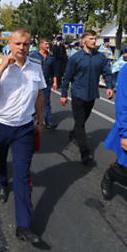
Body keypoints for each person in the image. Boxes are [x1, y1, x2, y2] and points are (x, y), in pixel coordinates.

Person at [0, 27, 46, 244]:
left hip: (24, 129)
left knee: (22, 176)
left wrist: (41, 121)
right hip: (0, 125)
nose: (22, 48)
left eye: (26, 44)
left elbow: (39, 95)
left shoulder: (36, 67)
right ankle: (0, 181)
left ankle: (24, 225)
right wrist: (1, 69)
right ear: (10, 44)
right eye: (18, 44)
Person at [60, 30, 114, 165]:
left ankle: (74, 133)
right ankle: (85, 153)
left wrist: (109, 87)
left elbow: (107, 73)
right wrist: (63, 94)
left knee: (82, 121)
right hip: (78, 94)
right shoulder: (75, 58)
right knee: (80, 123)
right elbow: (67, 77)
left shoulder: (100, 58)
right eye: (91, 39)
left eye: (95, 39)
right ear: (83, 40)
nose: (94, 41)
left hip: (92, 95)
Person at [101, 61, 127, 200]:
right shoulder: (126, 70)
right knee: (124, 168)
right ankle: (110, 175)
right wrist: (125, 134)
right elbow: (122, 102)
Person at [29, 37, 58, 129]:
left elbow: (54, 71)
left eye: (48, 44)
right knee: (33, 101)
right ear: (40, 45)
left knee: (46, 102)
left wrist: (55, 82)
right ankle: (32, 120)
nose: (48, 45)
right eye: (46, 44)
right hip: (34, 82)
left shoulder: (51, 57)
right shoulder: (33, 55)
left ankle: (48, 121)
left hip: (46, 83)